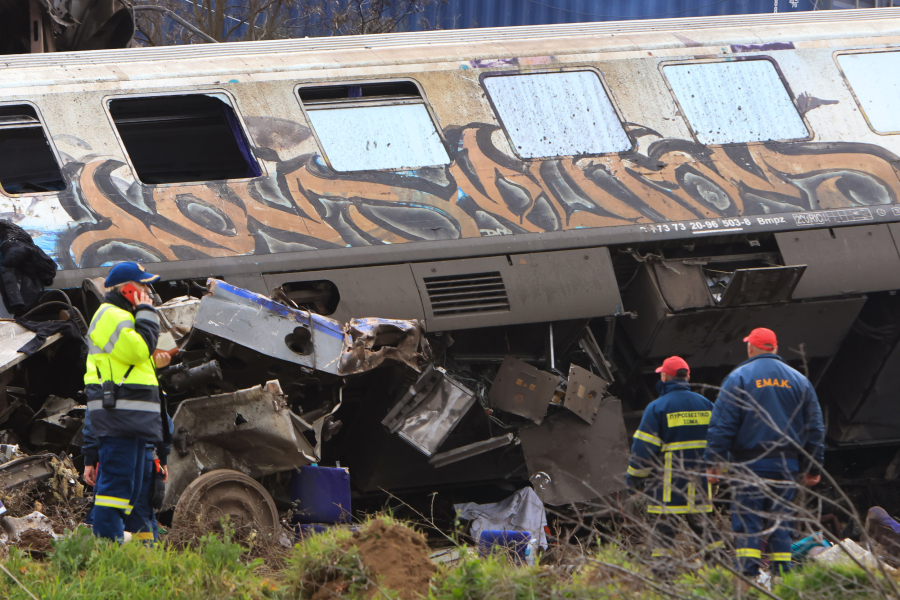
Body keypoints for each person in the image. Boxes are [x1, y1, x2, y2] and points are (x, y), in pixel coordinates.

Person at [705, 327, 825, 578]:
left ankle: (748, 579)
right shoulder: (799, 380)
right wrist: (813, 467)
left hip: (749, 467)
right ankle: (783, 577)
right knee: (781, 524)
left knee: (748, 524)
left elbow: (722, 426)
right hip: (786, 467)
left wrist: (713, 462)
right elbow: (814, 427)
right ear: (775, 348)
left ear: (751, 348)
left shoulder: (738, 378)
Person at [82, 262, 171, 541]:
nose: (149, 292)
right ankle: (109, 554)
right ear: (127, 289)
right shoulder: (111, 315)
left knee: (131, 495)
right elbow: (139, 350)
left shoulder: (124, 317)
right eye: (143, 286)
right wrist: (147, 313)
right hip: (119, 418)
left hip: (132, 420)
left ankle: (130, 556)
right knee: (116, 493)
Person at [626, 356, 721, 568]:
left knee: (662, 539)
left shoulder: (657, 408)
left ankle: (665, 582)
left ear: (664, 376)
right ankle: (721, 575)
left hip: (667, 489)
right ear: (687, 376)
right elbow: (721, 441)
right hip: (699, 486)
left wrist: (634, 482)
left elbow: (643, 450)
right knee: (706, 534)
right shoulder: (707, 405)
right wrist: (718, 471)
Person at [83, 411, 173, 543]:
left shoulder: (104, 389)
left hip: (113, 454)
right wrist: (163, 457)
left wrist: (89, 458)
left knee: (106, 510)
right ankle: (147, 557)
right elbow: (165, 423)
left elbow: (92, 419)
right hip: (143, 456)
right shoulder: (148, 389)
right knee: (141, 516)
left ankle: (103, 554)